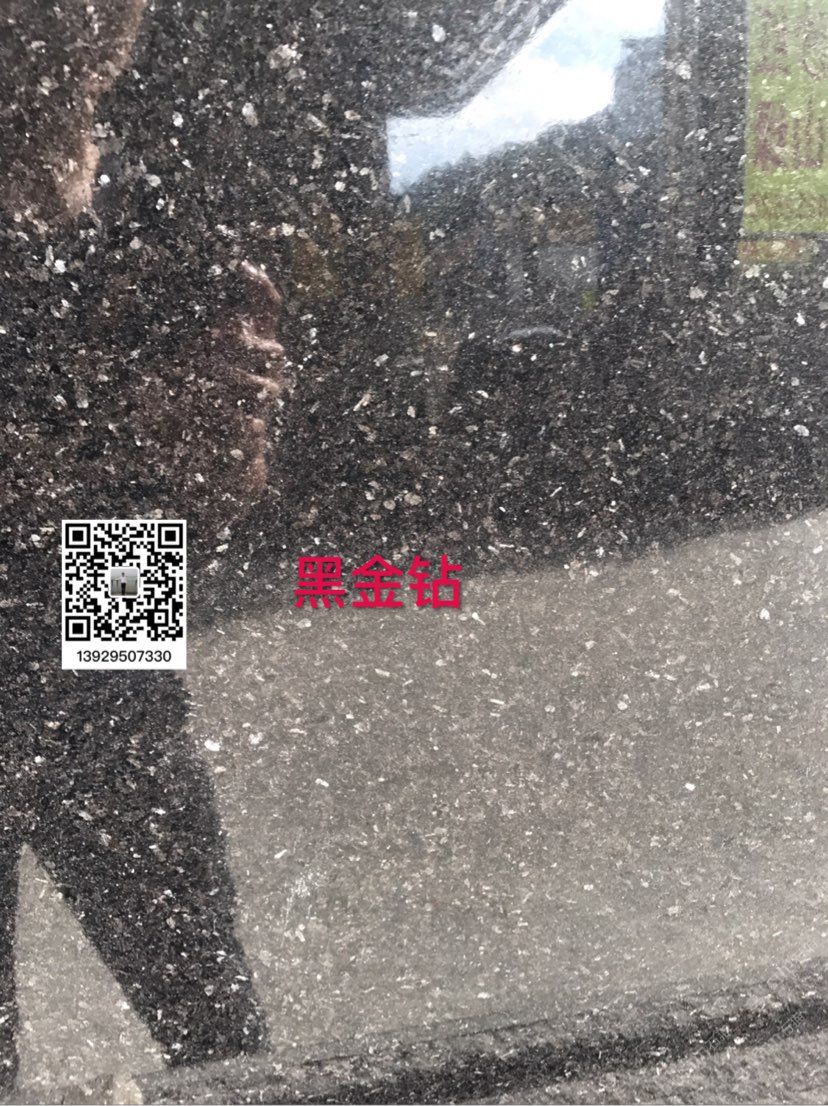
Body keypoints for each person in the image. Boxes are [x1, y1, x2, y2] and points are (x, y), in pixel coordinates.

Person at [0, 0, 291, 1088]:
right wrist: (113, 429)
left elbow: (210, 493)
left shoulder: (152, 195)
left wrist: (230, 429)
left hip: (117, 584)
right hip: (74, 575)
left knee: (217, 1018)